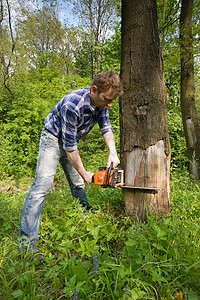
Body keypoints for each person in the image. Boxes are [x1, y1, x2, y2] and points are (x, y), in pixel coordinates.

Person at [18, 70, 123, 256]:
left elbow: (106, 127)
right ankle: (27, 247)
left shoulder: (102, 104)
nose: (110, 104)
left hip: (70, 142)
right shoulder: (73, 104)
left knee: (77, 183)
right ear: (94, 90)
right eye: (107, 99)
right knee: (42, 186)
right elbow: (70, 147)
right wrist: (84, 172)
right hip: (52, 139)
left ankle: (85, 219)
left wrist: (113, 153)